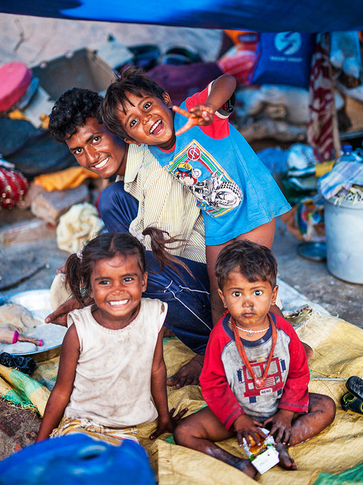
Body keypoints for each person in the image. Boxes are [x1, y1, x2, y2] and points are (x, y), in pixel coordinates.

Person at [100, 68, 293, 380]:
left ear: (165, 99)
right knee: (221, 296)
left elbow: (227, 81)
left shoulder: (195, 117)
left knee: (247, 286)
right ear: (129, 138)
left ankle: (292, 348)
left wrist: (209, 106)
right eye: (133, 122)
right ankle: (221, 356)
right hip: (218, 222)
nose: (146, 120)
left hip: (251, 213)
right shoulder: (151, 148)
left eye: (147, 106)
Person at [46, 88, 212, 387]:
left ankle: (212, 349)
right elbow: (133, 237)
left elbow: (150, 255)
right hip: (182, 266)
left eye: (95, 139)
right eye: (78, 150)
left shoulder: (155, 170)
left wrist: (94, 297)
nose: (91, 157)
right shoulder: (128, 175)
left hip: (215, 291)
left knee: (146, 271)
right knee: (112, 199)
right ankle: (163, 315)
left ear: (116, 129)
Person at [173, 240, 335, 477]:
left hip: (279, 405)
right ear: (223, 297)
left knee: (326, 407)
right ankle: (238, 463)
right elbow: (213, 382)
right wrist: (238, 419)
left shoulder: (283, 331)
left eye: (257, 292)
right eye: (236, 293)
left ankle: (279, 443)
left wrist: (287, 414)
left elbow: (298, 372)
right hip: (238, 411)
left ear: (273, 294)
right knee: (185, 432)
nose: (247, 303)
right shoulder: (221, 335)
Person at [36, 231, 187, 445]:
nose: (117, 290)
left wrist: (164, 418)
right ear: (90, 287)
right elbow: (61, 391)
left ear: (143, 282)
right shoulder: (79, 330)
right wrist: (40, 444)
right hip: (83, 424)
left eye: (127, 279)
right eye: (105, 282)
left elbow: (156, 368)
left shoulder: (153, 316)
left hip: (133, 429)